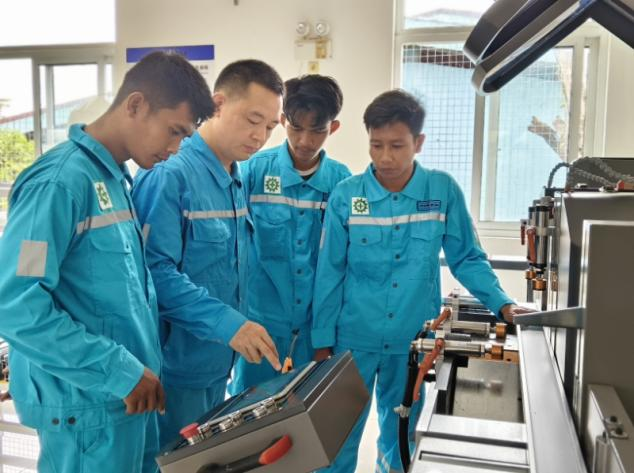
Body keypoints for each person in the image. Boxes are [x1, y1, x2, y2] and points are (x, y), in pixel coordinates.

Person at [0, 51, 213, 473]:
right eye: (174, 131)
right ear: (136, 105)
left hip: (126, 401)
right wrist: (117, 370)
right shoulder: (60, 184)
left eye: (185, 137)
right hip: (88, 412)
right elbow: (15, 303)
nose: (175, 149)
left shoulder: (113, 180)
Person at [311, 89, 530, 473]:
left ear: (419, 142)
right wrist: (322, 341)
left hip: (411, 342)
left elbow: (467, 258)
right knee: (337, 438)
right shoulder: (347, 196)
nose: (384, 157)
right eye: (376, 145)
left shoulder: (441, 191)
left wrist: (503, 304)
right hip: (353, 340)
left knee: (402, 436)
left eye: (397, 145)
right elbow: (330, 272)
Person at [131, 59, 284, 448]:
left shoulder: (233, 178)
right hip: (174, 372)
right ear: (217, 104)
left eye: (270, 126)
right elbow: (152, 273)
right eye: (253, 120)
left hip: (216, 365)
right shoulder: (169, 173)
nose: (260, 136)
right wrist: (228, 325)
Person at [230, 75, 351, 393]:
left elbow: (341, 266)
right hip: (259, 325)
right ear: (283, 120)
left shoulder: (342, 183)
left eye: (317, 130)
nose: (305, 141)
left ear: (333, 128)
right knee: (248, 410)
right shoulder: (254, 171)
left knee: (307, 411)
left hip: (315, 331)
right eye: (296, 128)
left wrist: (325, 335)